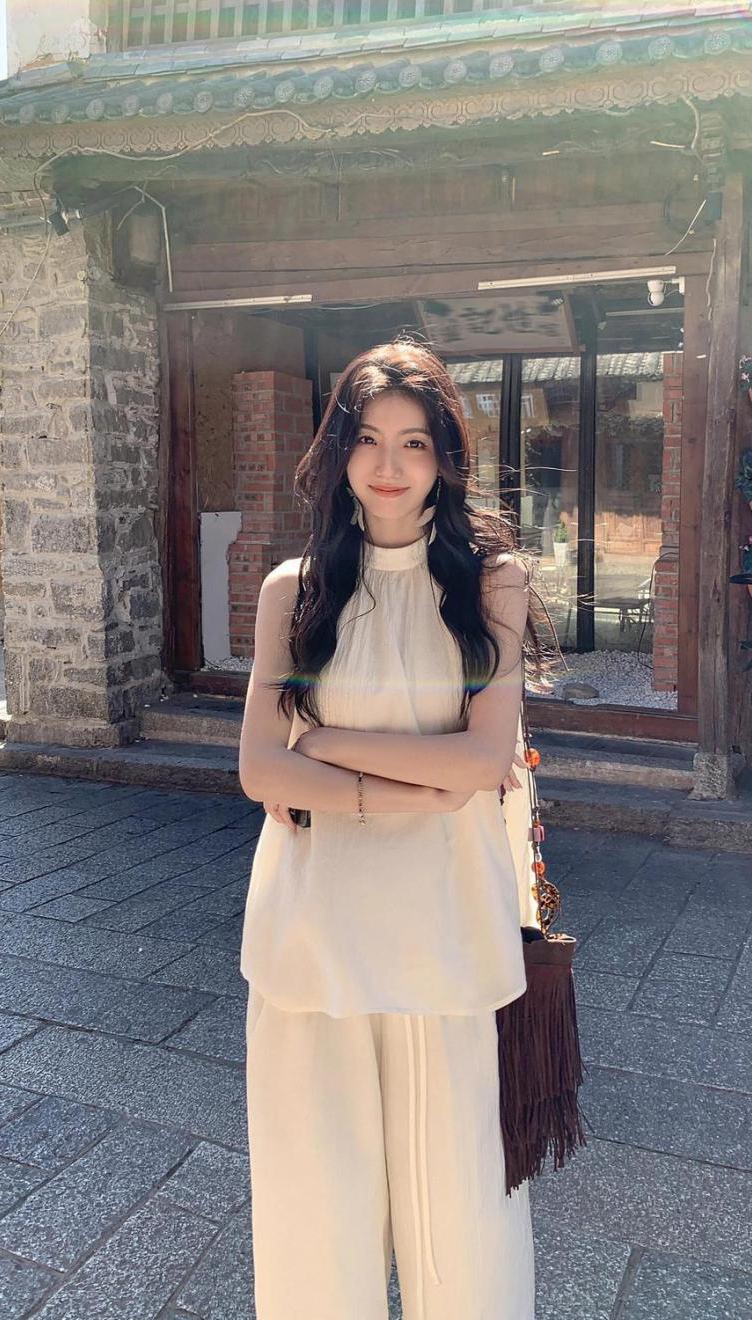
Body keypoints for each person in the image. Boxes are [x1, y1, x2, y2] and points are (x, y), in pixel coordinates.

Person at [238, 339, 550, 1320]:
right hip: (311, 934)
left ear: (445, 456)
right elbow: (259, 768)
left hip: (443, 940)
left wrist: (325, 746)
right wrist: (404, 790)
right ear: (337, 452)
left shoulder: (492, 586)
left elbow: (481, 761)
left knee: (460, 1221)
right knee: (313, 1218)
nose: (388, 464)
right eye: (367, 439)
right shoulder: (294, 591)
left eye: (414, 442)